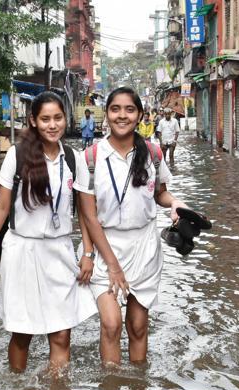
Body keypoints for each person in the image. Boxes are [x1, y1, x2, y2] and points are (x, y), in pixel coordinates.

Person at [0, 92, 97, 374]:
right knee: (22, 334)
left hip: (60, 252)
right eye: (45, 119)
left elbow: (87, 213)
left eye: (58, 118)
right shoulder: (17, 155)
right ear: (34, 121)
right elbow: (1, 208)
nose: (52, 125)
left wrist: (87, 253)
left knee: (61, 334)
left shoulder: (75, 160)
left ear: (66, 119)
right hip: (21, 251)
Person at [75, 87, 189, 366]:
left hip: (144, 248)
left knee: (138, 326)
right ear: (107, 115)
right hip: (105, 249)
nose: (122, 116)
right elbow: (89, 216)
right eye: (115, 109)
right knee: (112, 324)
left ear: (139, 115)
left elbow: (160, 193)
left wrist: (174, 203)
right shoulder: (89, 158)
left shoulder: (152, 152)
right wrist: (109, 263)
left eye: (129, 110)